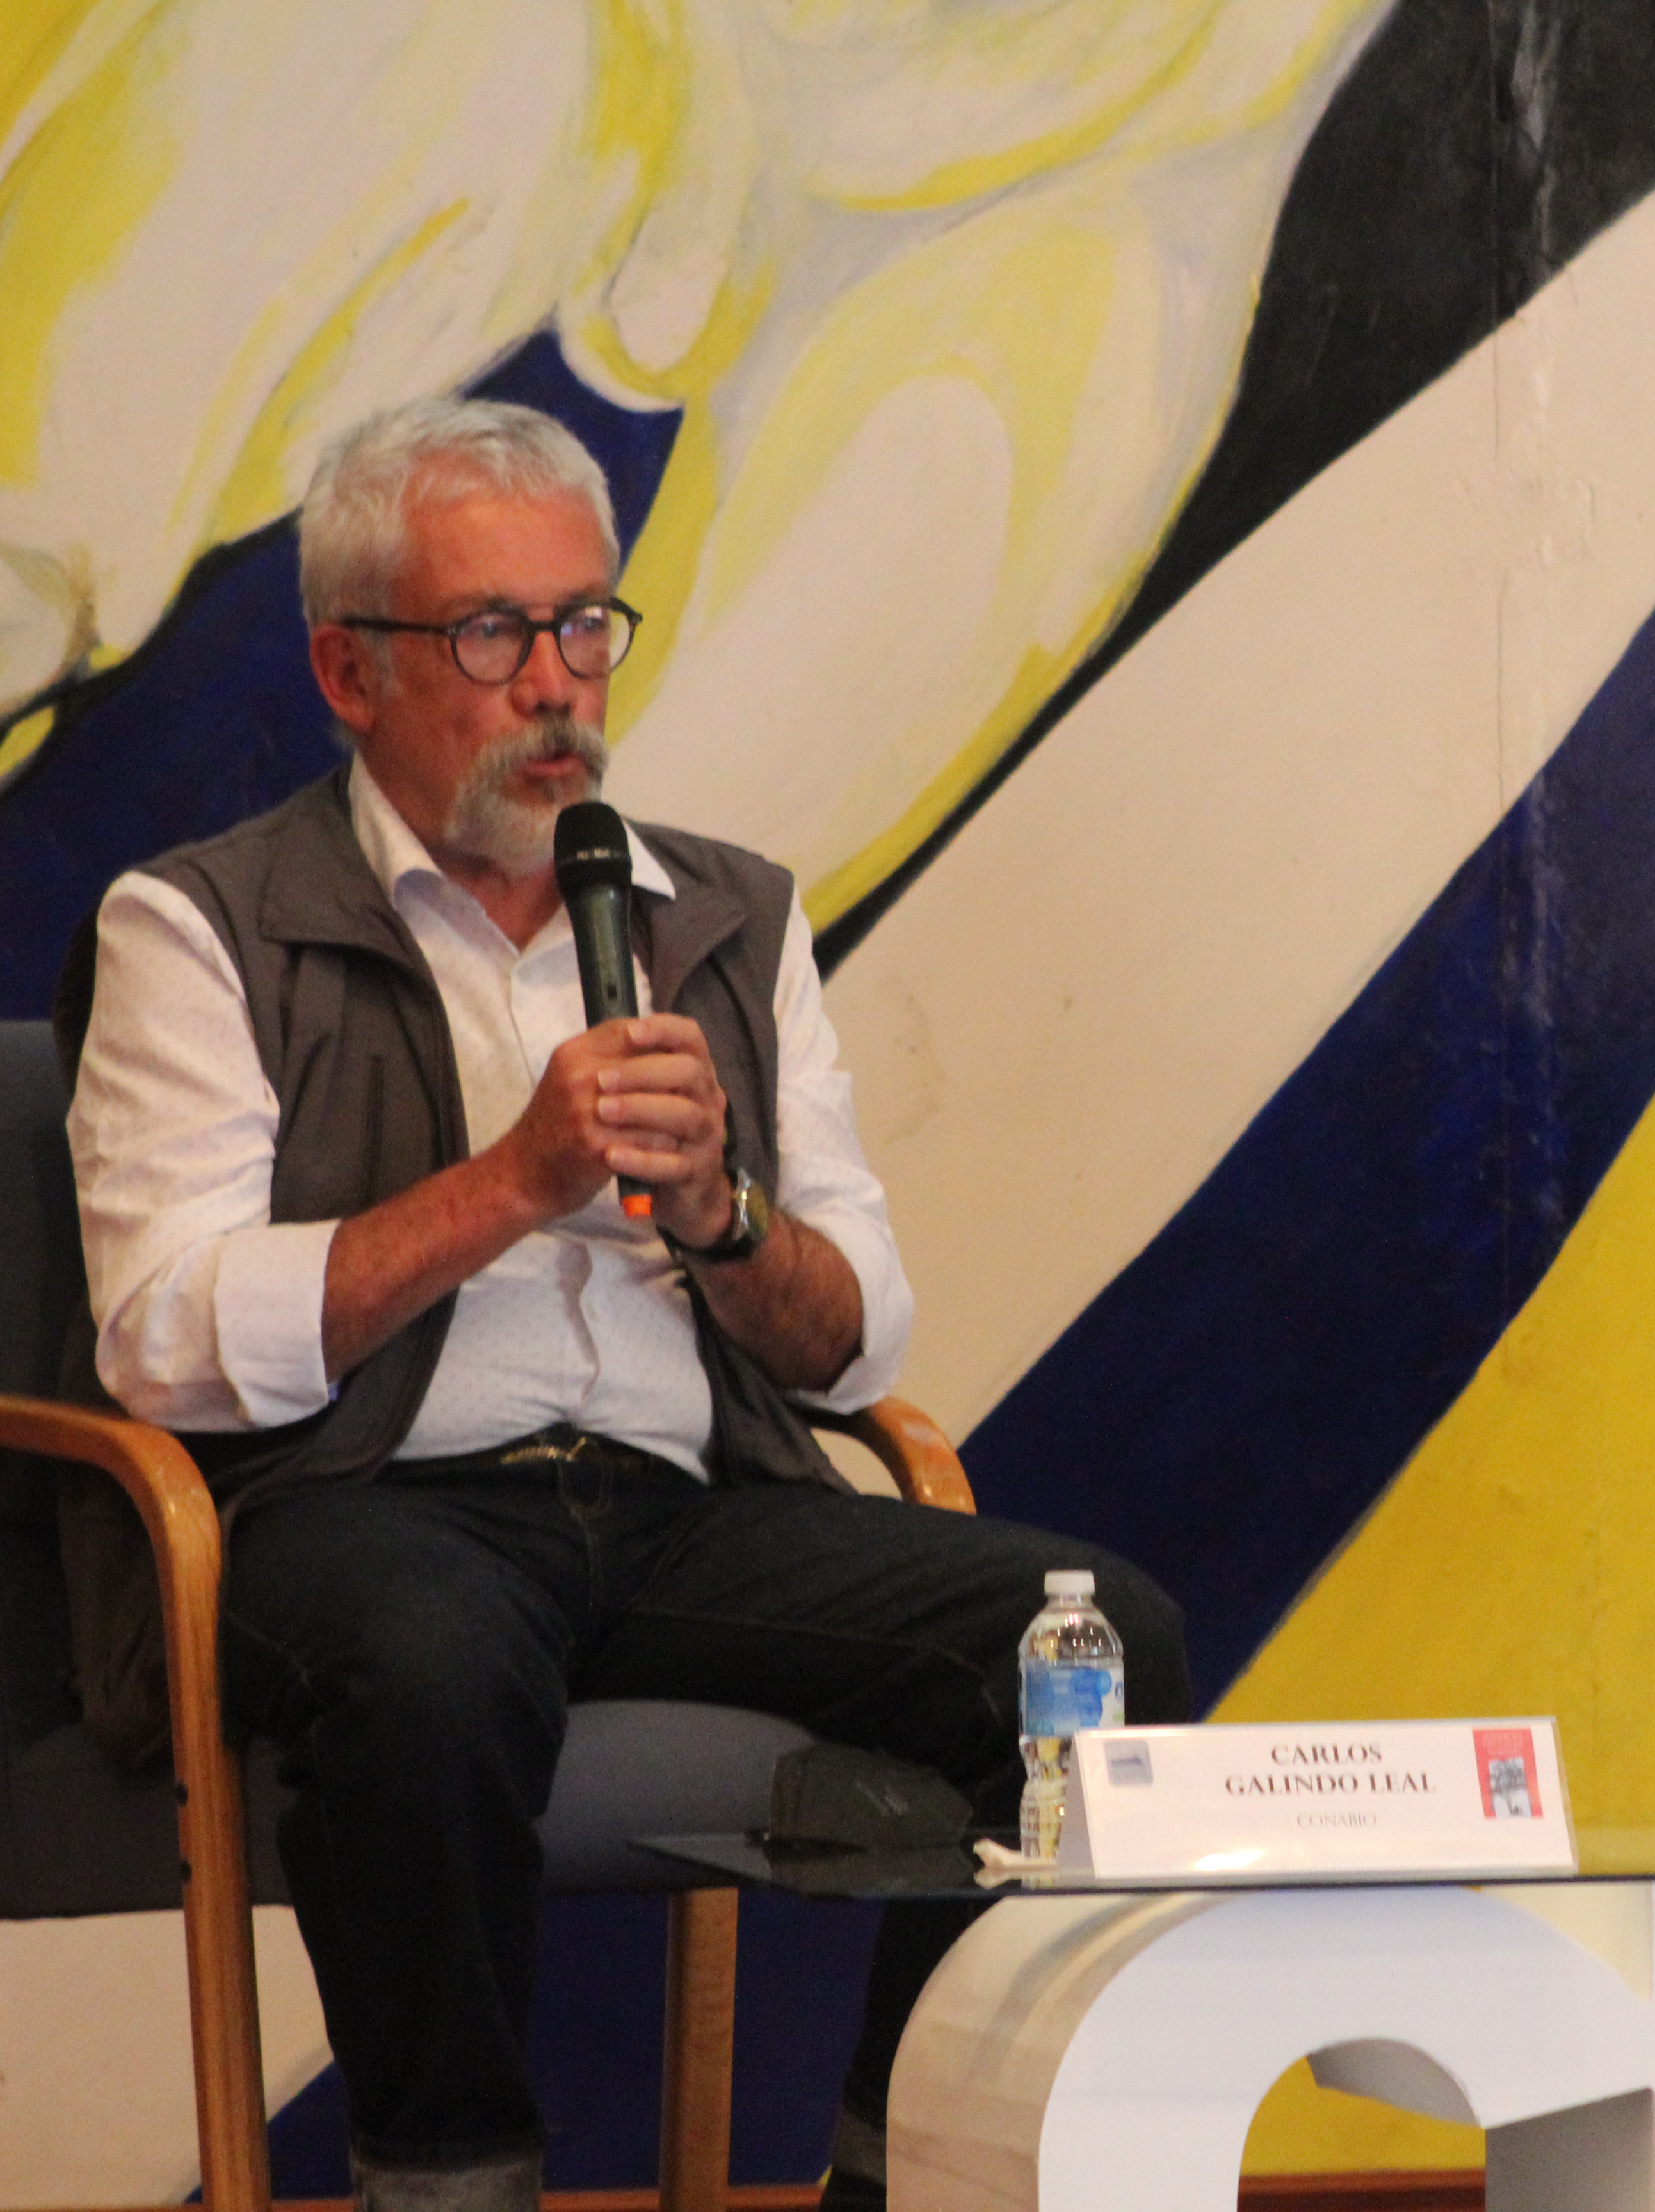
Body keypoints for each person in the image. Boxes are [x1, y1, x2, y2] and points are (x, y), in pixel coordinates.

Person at [65, 396, 1190, 2212]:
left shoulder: (726, 918)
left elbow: (861, 1342)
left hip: (684, 1515)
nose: (556, 687)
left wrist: (727, 1220)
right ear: (349, 671)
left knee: (1101, 1648)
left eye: (585, 624)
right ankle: (455, 2189)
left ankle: (909, 2178)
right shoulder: (200, 925)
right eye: (489, 634)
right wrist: (512, 1182)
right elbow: (167, 1339)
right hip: (358, 1505)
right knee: (425, 1663)